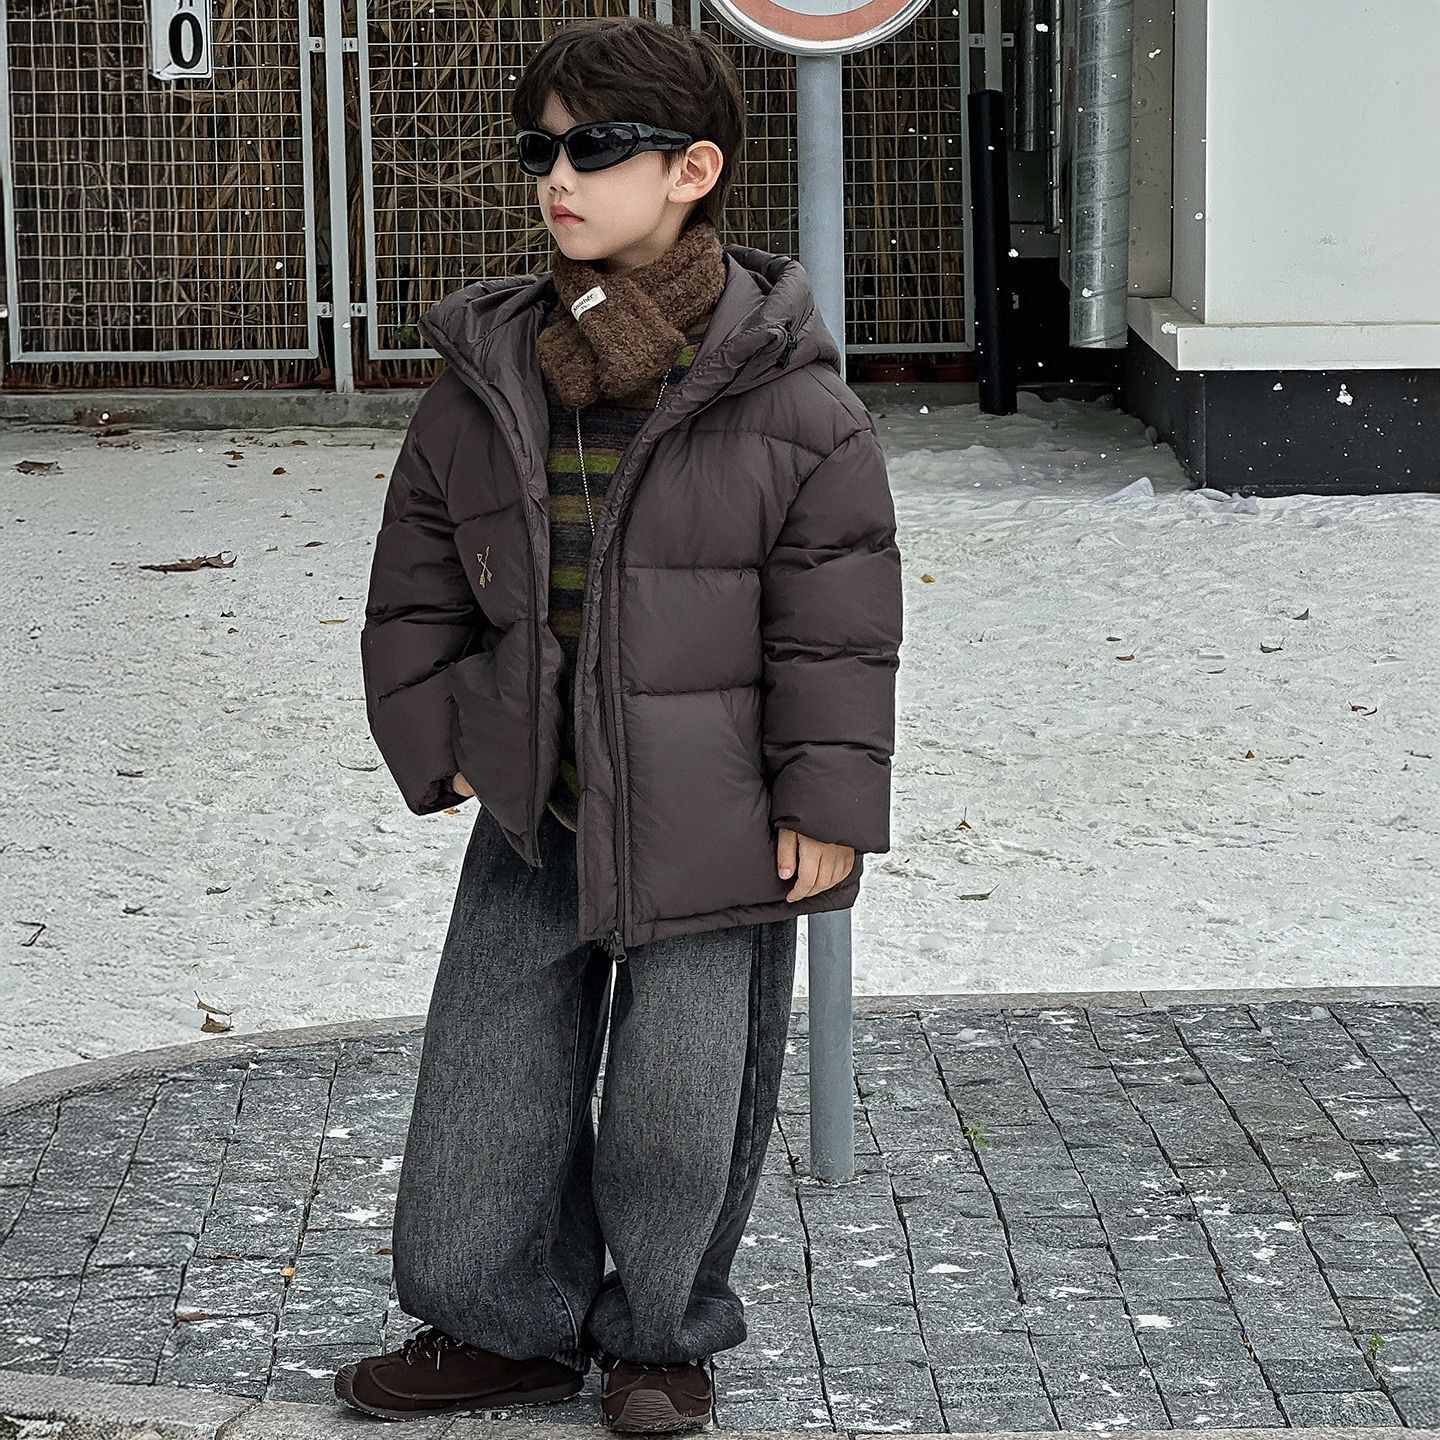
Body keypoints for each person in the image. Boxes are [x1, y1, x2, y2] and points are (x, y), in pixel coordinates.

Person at [338, 14, 903, 1431]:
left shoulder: (793, 402)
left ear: (692, 169)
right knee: (490, 1084)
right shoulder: (489, 377)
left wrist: (825, 805)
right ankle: (501, 1325)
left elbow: (836, 628)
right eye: (539, 151)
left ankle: (661, 1338)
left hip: (718, 819)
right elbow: (416, 584)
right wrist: (437, 737)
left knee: (681, 1102)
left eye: (594, 148)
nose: (558, 178)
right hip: (537, 800)